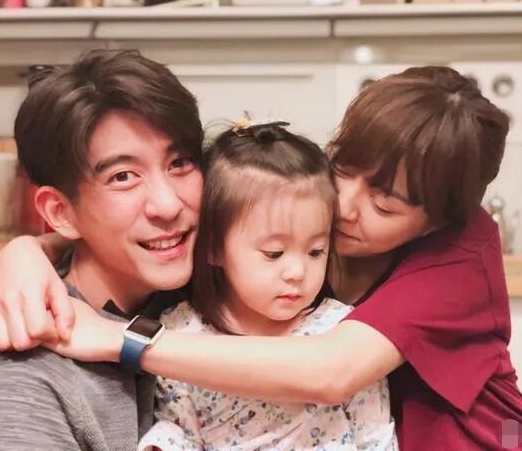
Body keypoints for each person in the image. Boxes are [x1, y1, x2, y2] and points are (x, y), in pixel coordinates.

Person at [0, 66, 522, 450]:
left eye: (384, 203)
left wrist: (118, 339)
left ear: (437, 221)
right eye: (342, 168)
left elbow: (329, 373)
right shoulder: (261, 236)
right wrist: (24, 252)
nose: (344, 205)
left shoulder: (458, 254)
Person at [0, 49, 204, 450]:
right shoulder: (22, 393)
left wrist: (26, 248)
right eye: (123, 177)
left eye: (180, 162)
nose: (169, 204)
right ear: (61, 212)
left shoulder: (235, 280)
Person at [138, 122, 397, 450]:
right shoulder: (180, 331)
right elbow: (178, 429)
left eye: (316, 251)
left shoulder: (342, 330)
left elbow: (375, 438)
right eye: (274, 253)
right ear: (214, 247)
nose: (297, 272)